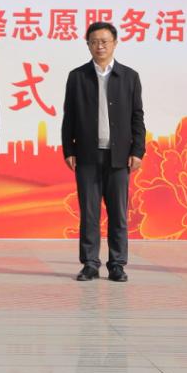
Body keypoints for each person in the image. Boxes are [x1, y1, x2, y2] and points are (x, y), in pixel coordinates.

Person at [61, 21, 144, 283]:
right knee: (89, 213)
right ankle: (90, 263)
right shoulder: (77, 76)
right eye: (94, 41)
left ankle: (117, 264)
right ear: (87, 45)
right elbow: (69, 116)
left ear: (115, 43)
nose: (100, 46)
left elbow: (137, 117)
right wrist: (68, 149)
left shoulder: (129, 77)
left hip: (119, 157)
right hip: (87, 154)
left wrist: (138, 150)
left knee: (118, 214)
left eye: (105, 41)